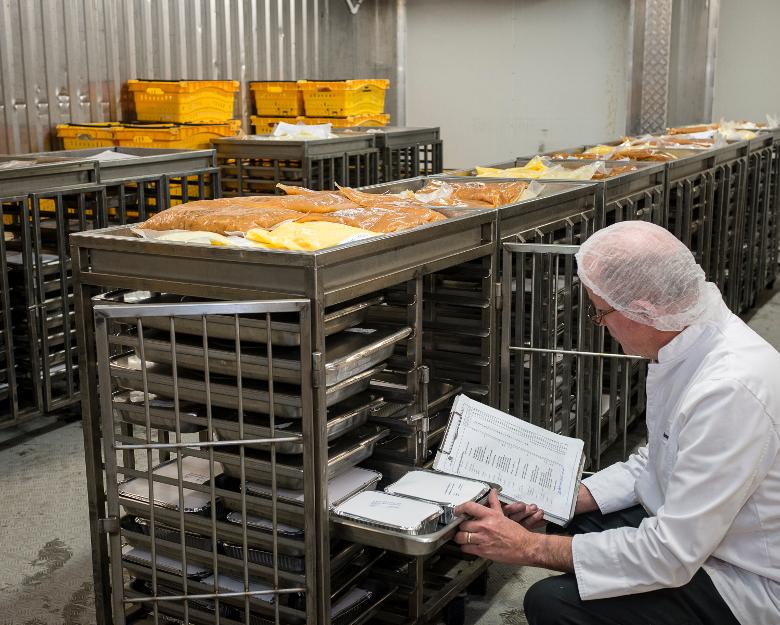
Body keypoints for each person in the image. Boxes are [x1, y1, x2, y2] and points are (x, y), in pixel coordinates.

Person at [453, 221, 780, 625]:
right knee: (567, 521)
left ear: (643, 310)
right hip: (703, 534)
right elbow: (658, 459)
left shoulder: (728, 391)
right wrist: (566, 497)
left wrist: (528, 548)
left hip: (743, 576)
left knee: (552, 604)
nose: (601, 323)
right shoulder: (689, 342)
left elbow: (670, 555)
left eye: (601, 311)